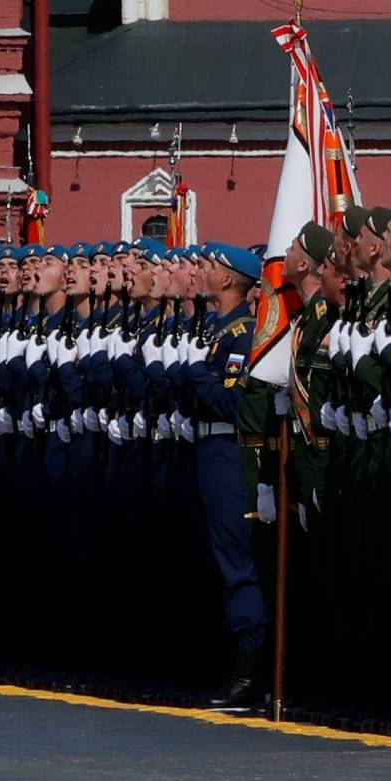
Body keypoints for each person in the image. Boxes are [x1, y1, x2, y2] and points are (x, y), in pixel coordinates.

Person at [181, 242, 268, 711]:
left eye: (209, 266)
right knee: (219, 560)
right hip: (207, 448)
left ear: (231, 278)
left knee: (237, 562)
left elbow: (235, 405)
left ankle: (250, 669)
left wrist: (195, 375)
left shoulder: (241, 334)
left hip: (228, 454)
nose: (201, 272)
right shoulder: (216, 331)